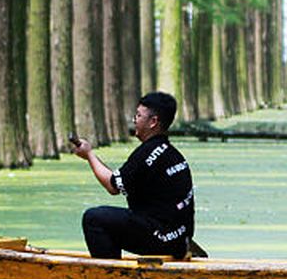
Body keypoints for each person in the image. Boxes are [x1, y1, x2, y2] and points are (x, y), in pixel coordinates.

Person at [72, 91, 195, 260]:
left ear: (153, 122)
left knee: (94, 219)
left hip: (162, 239)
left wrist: (89, 155)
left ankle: (112, 278)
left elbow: (112, 185)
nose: (134, 120)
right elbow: (121, 178)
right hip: (179, 239)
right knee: (115, 221)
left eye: (138, 115)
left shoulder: (148, 154)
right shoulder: (171, 153)